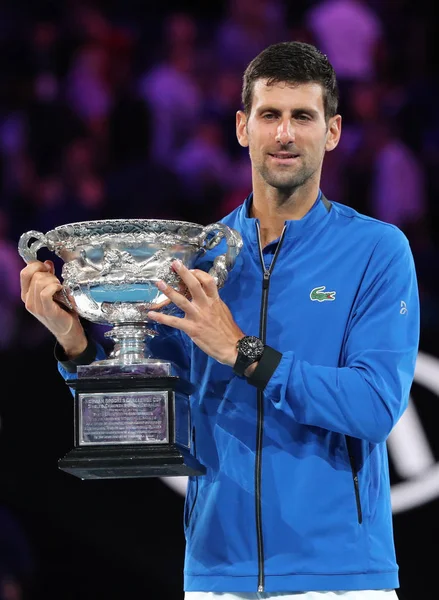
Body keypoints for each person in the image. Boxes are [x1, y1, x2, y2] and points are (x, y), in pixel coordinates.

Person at [19, 41, 420, 600]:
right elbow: (144, 412)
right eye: (269, 115)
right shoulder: (193, 258)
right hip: (216, 575)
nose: (284, 134)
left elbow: (375, 407)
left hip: (341, 578)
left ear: (331, 131)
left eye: (303, 116)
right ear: (241, 127)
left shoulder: (377, 251)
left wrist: (241, 352)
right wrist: (73, 340)